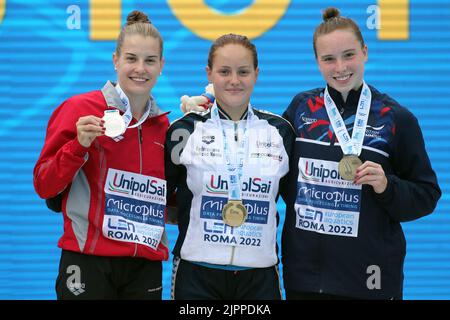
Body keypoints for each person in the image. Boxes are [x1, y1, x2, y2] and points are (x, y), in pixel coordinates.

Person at [280, 7, 441, 299]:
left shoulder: (396, 118)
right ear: (317, 62)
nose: (340, 67)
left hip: (371, 279)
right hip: (306, 280)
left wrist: (386, 186)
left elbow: (427, 195)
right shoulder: (300, 110)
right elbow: (267, 168)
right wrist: (211, 110)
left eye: (349, 55)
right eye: (329, 59)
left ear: (365, 52)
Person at [33, 10, 169, 299]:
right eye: (131, 59)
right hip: (88, 260)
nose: (140, 69)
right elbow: (44, 184)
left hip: (144, 265)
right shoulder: (80, 108)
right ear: (115, 60)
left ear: (161, 66)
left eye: (150, 61)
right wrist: (78, 146)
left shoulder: (163, 126)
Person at [165, 34, 295, 299]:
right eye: (224, 71)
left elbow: (295, 201)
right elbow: (164, 196)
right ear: (209, 74)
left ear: (256, 74)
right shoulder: (184, 130)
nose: (234, 80)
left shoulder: (280, 131)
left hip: (259, 277)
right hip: (196, 275)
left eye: (243, 72)